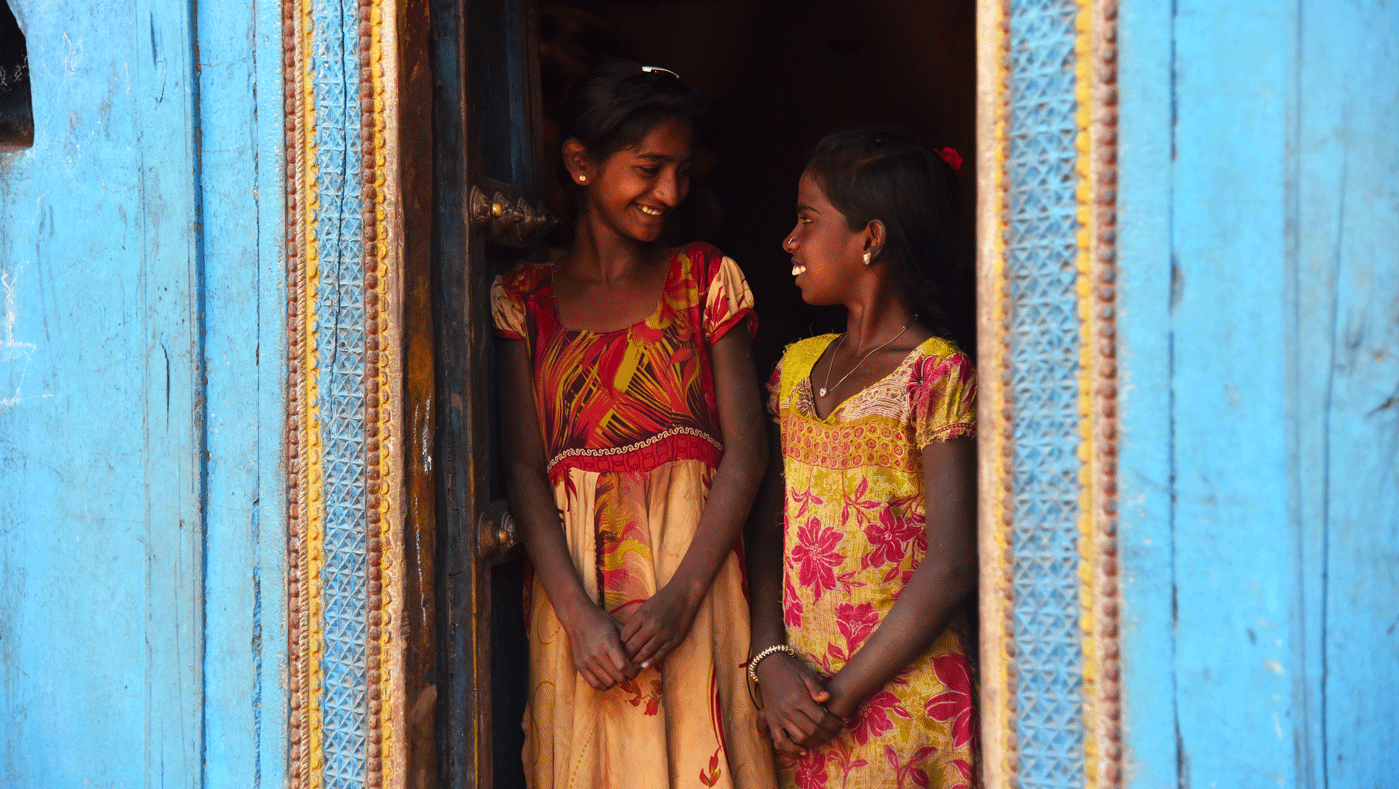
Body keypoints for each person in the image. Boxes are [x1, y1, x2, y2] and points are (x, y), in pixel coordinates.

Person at [492, 61, 776, 789]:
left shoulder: (702, 280)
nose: (669, 193)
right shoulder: (525, 300)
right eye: (648, 169)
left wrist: (682, 596)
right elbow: (525, 468)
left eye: (680, 171)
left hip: (698, 590)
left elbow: (746, 452)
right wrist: (579, 617)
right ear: (581, 164)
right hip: (578, 607)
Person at [746, 128, 980, 789]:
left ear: (869, 238)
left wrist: (840, 696)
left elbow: (953, 561)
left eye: (807, 220)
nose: (789, 241)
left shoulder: (934, 375)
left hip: (900, 703)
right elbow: (766, 532)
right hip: (795, 703)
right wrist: (769, 660)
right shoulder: (793, 371)